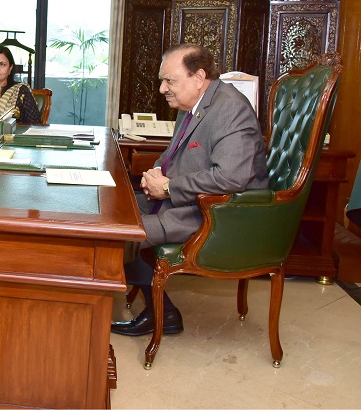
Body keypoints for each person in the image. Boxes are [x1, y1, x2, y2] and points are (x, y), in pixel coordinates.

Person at [111, 43, 270, 337]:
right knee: (112, 211)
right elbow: (174, 154)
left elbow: (231, 177)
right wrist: (157, 171)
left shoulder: (230, 109)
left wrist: (169, 187)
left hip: (219, 213)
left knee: (119, 237)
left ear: (198, 77)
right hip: (188, 200)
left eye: (169, 81)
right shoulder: (192, 104)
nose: (162, 89)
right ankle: (164, 311)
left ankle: (153, 314)